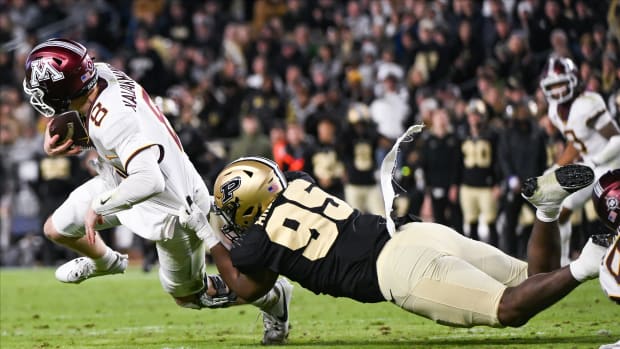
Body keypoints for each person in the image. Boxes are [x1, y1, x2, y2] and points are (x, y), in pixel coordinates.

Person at [22, 38, 292, 345]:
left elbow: (150, 180)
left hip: (173, 207)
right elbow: (102, 123)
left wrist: (100, 206)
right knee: (56, 229)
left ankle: (273, 298)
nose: (37, 96)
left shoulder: (113, 120)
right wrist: (60, 138)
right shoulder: (102, 74)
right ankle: (106, 262)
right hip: (121, 181)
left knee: (190, 297)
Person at [180, 156, 607, 330]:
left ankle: (589, 262)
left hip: (398, 270)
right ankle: (547, 209)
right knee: (536, 278)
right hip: (414, 231)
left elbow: (248, 286)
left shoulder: (254, 246)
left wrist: (207, 235)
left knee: (509, 309)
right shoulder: (300, 183)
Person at [539, 56, 620, 265]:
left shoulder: (588, 103)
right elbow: (576, 142)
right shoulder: (554, 111)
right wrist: (557, 167)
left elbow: (617, 139)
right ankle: (562, 263)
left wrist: (596, 160)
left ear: (573, 80)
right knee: (562, 208)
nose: (557, 91)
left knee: (614, 213)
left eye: (561, 84)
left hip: (611, 165)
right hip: (591, 165)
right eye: (552, 86)